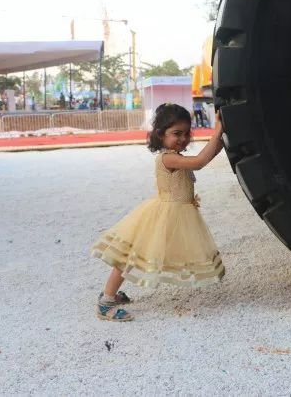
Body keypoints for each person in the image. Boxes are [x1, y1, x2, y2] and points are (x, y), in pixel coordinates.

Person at [90, 103, 225, 322]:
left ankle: (111, 294)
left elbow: (206, 156)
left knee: (135, 257)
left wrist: (221, 139)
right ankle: (106, 302)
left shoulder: (176, 155)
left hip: (175, 215)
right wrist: (217, 132)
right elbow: (200, 162)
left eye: (186, 133)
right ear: (161, 134)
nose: (183, 138)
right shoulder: (167, 158)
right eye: (176, 133)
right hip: (163, 215)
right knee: (129, 257)